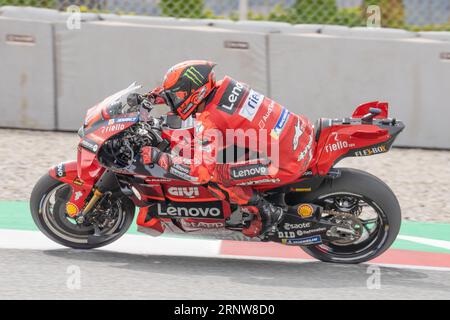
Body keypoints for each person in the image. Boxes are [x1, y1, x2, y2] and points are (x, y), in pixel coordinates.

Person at [141, 60, 315, 237]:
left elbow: (199, 172)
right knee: (228, 150)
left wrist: (160, 157)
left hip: (286, 162)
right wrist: (156, 97)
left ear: (195, 93)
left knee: (214, 176)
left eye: (177, 96)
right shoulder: (228, 86)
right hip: (299, 135)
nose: (175, 101)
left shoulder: (209, 120)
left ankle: (266, 211)